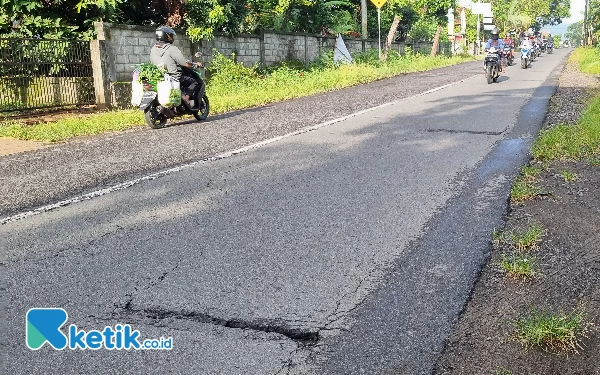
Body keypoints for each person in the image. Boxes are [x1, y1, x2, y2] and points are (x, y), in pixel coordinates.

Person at [150, 26, 199, 108]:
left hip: (160, 77)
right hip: (174, 77)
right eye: (171, 35)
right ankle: (186, 98)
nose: (172, 38)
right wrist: (194, 64)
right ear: (168, 36)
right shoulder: (172, 48)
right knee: (194, 82)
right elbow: (184, 63)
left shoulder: (153, 49)